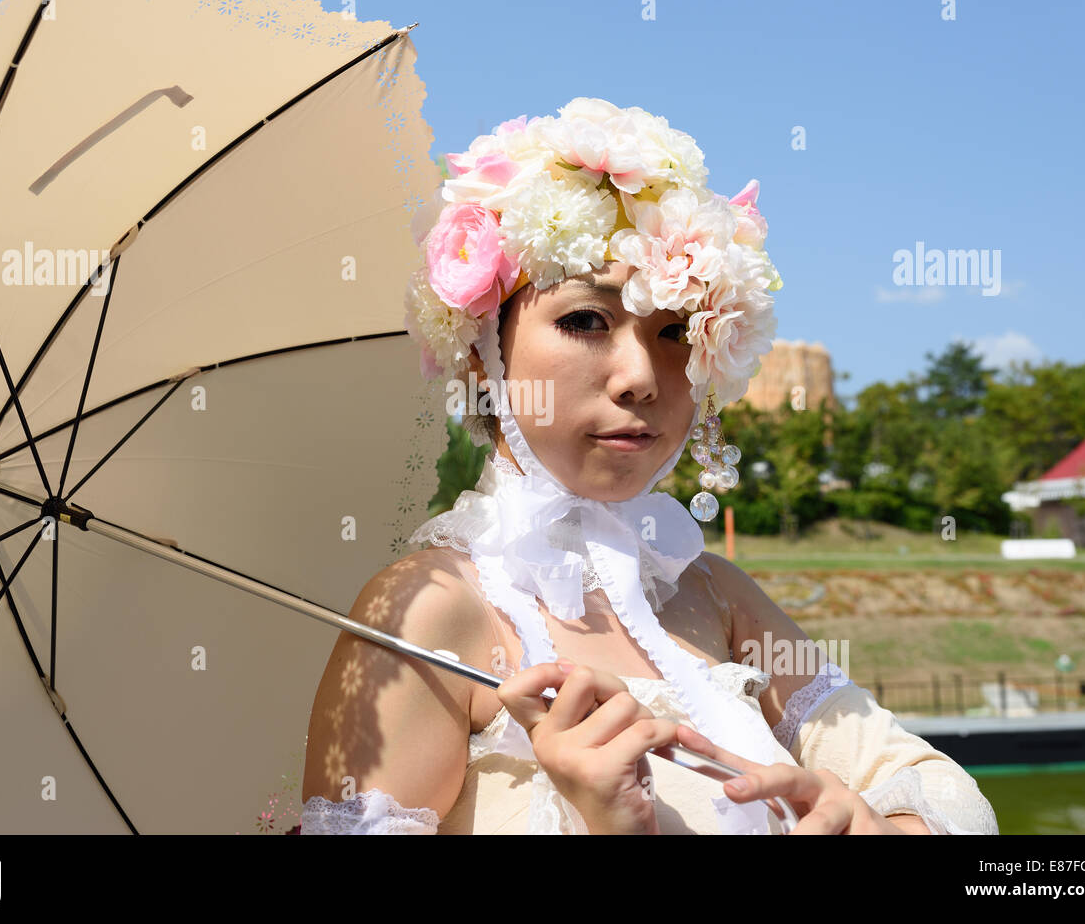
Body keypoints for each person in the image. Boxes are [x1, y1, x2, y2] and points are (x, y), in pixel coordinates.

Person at [299, 98, 998, 835]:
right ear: (483, 350)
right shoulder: (430, 608)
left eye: (674, 330)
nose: (641, 376)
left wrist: (873, 828)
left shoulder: (713, 592)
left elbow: (940, 795)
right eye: (584, 320)